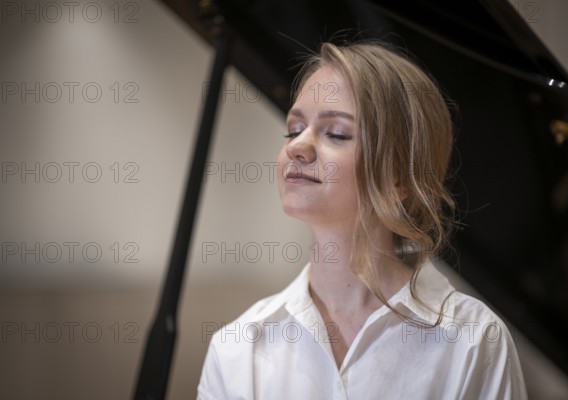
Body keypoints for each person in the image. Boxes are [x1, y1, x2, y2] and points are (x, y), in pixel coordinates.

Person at [197, 41, 527, 399]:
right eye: (293, 129)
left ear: (399, 176)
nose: (297, 147)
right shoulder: (239, 346)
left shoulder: (473, 340)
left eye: (336, 133)